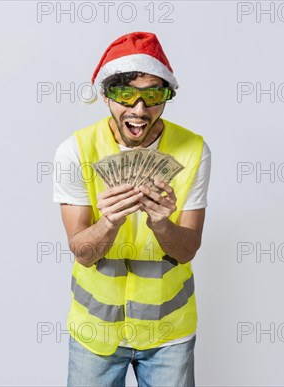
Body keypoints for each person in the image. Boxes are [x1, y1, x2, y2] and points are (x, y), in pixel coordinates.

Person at [53, 31, 211, 387]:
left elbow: (187, 251)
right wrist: (108, 222)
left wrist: (162, 225)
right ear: (107, 95)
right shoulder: (75, 152)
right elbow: (82, 251)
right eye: (126, 94)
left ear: (167, 95)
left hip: (169, 334)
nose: (140, 110)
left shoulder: (194, 151)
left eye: (153, 94)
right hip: (95, 334)